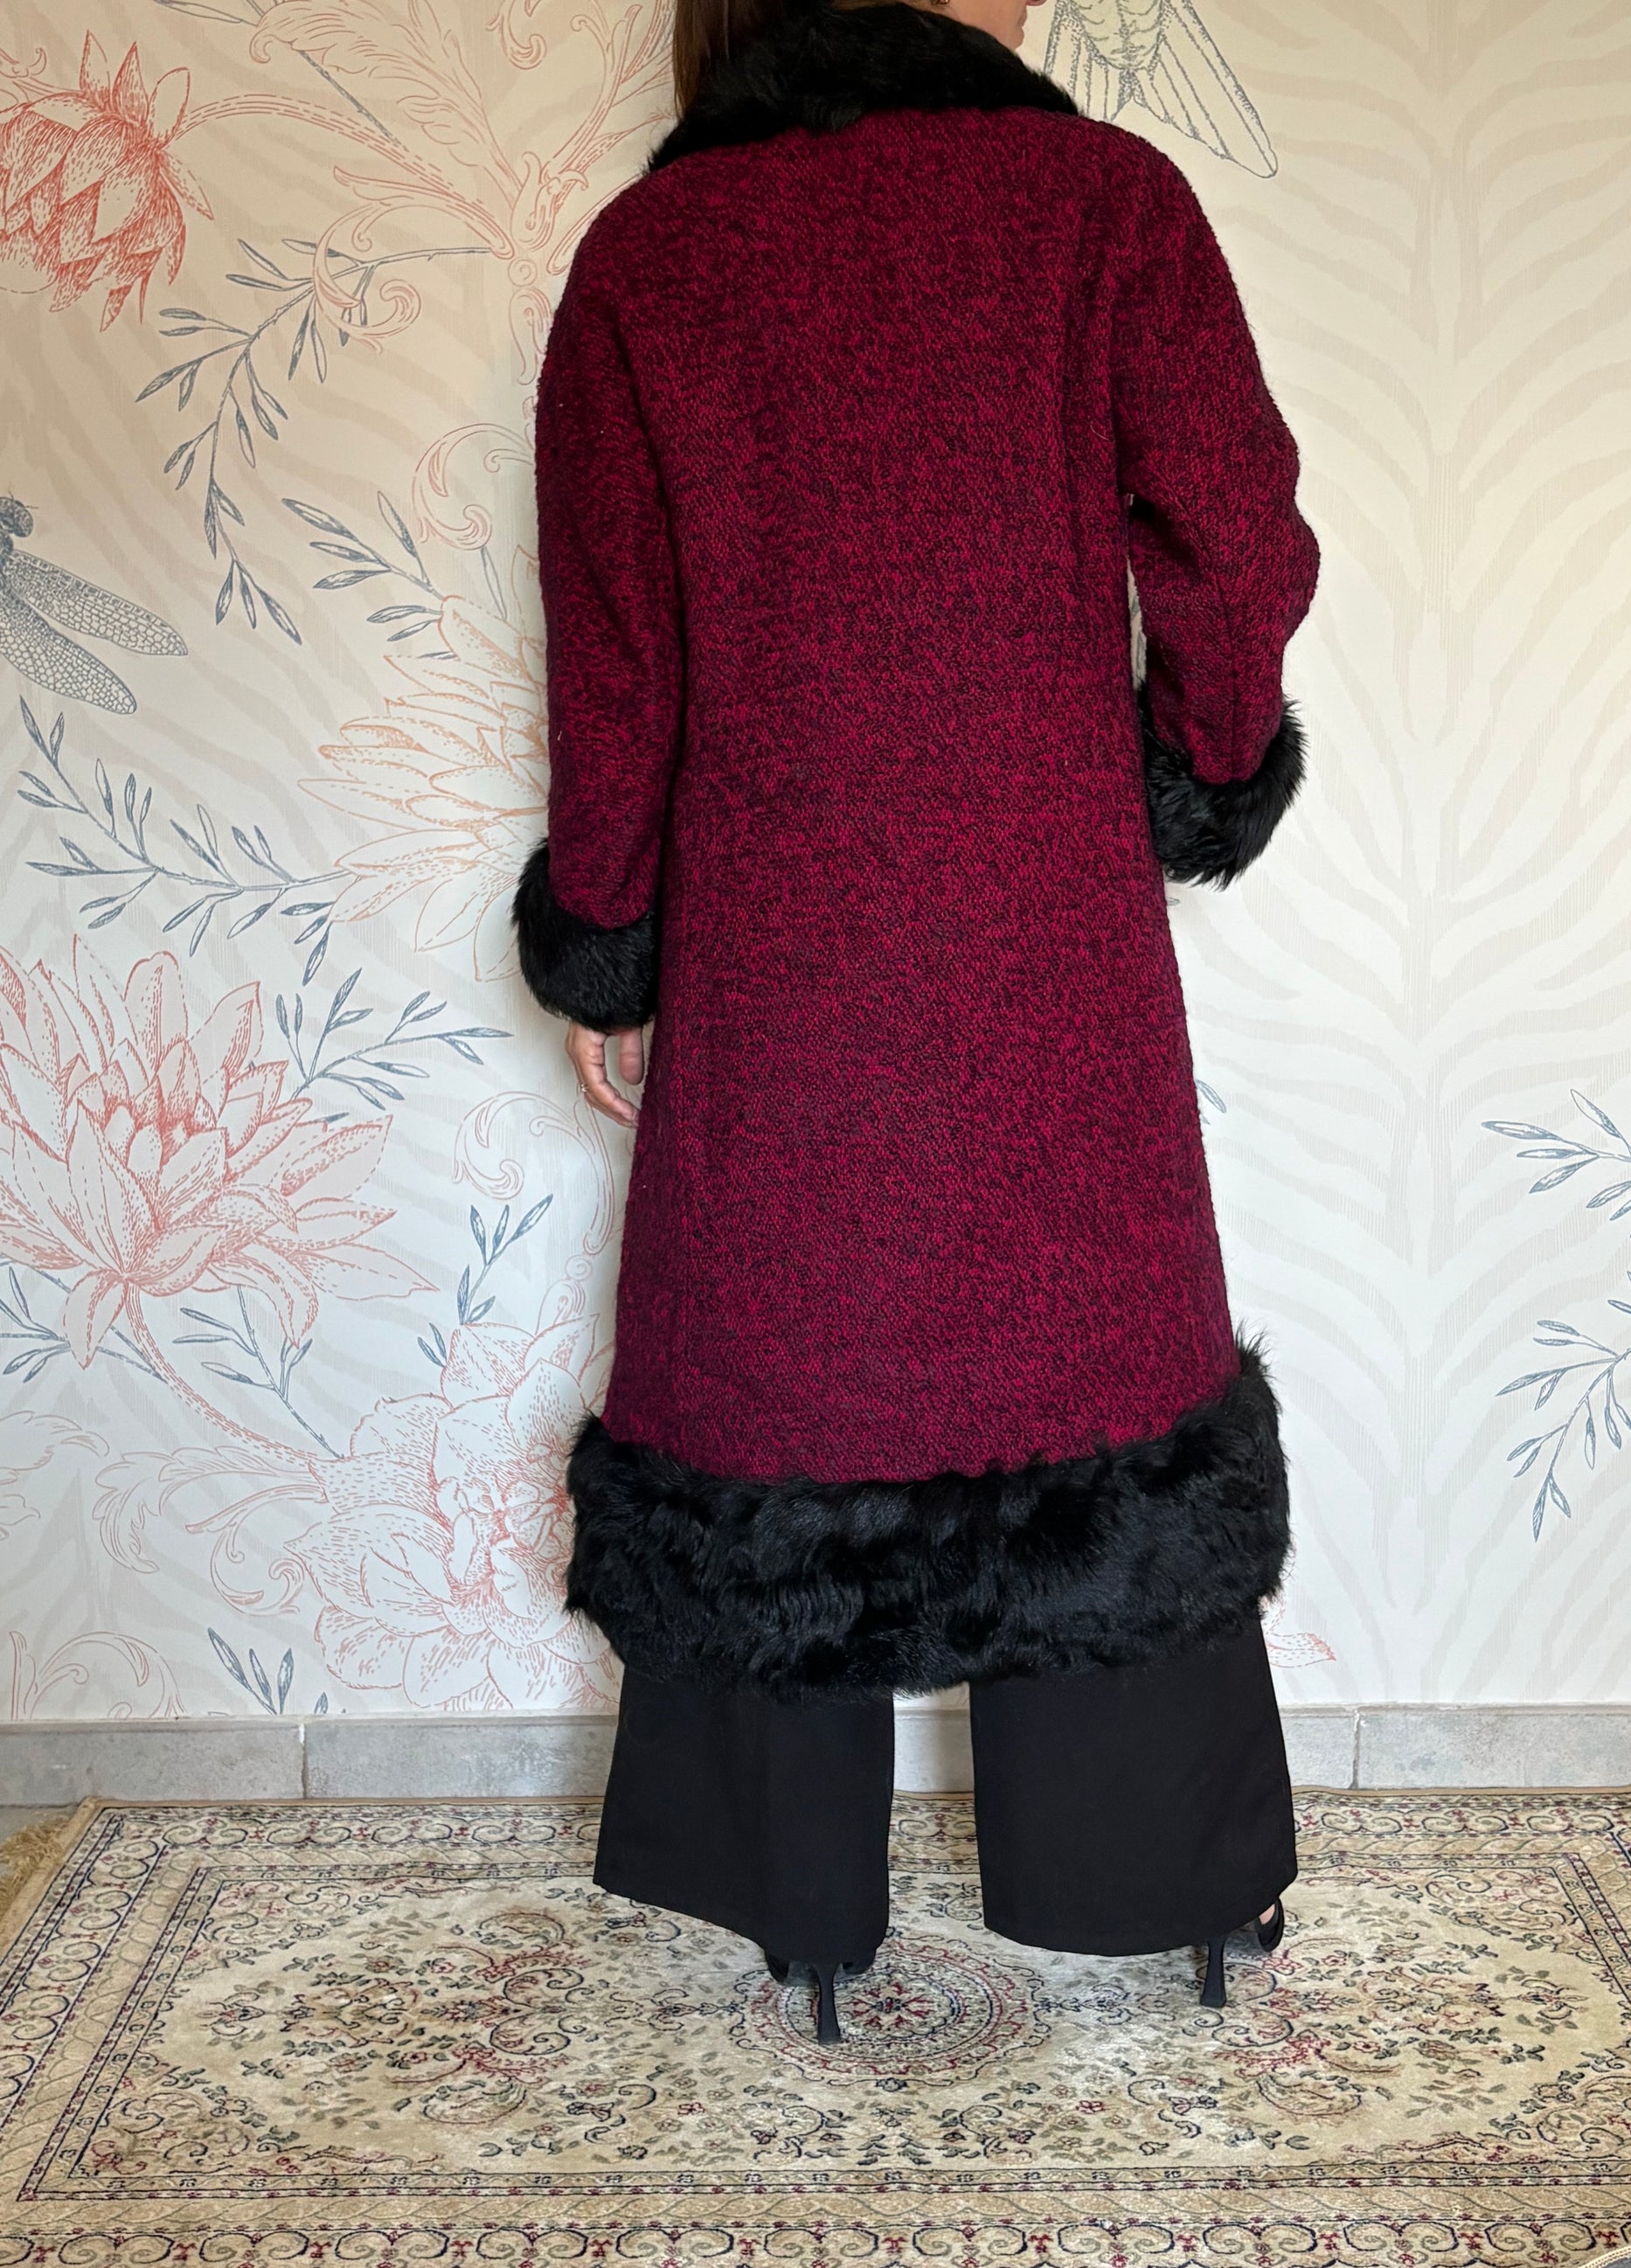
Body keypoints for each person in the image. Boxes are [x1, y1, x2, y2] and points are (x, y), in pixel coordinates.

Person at [512, 0, 1321, 2045]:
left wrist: (613, 937)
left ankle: (792, 1899)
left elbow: (616, 655)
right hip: (1049, 919)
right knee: (1091, 1351)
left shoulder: (652, 257)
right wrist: (1201, 762)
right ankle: (1163, 1877)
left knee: (776, 1364)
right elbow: (1233, 540)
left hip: (776, 939)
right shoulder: (1101, 205)